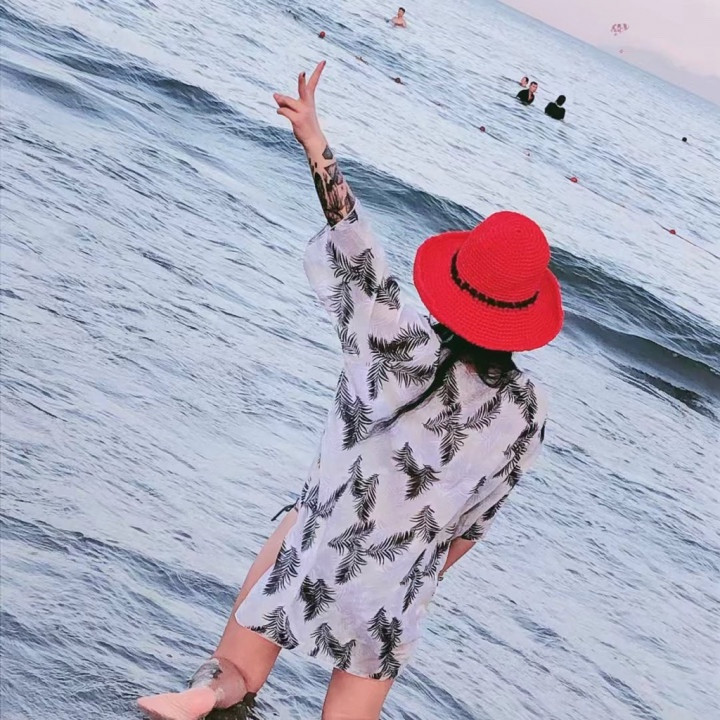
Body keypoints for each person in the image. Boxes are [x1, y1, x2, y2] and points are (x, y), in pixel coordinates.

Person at [137, 61, 564, 720]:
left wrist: (315, 141)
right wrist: (410, 572)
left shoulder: (396, 340)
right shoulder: (527, 411)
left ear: (457, 278)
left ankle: (208, 694)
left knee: (241, 665)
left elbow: (355, 247)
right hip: (396, 582)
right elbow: (474, 525)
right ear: (524, 312)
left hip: (318, 538)